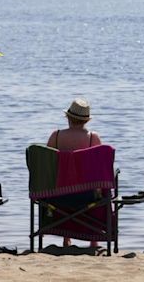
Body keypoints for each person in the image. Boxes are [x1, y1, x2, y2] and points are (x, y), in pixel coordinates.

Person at [46, 98, 102, 248]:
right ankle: (93, 240)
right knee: (97, 187)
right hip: (87, 196)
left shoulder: (56, 136)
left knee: (64, 182)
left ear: (68, 117)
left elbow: (47, 167)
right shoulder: (92, 138)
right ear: (86, 121)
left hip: (57, 196)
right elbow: (100, 170)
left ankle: (66, 238)